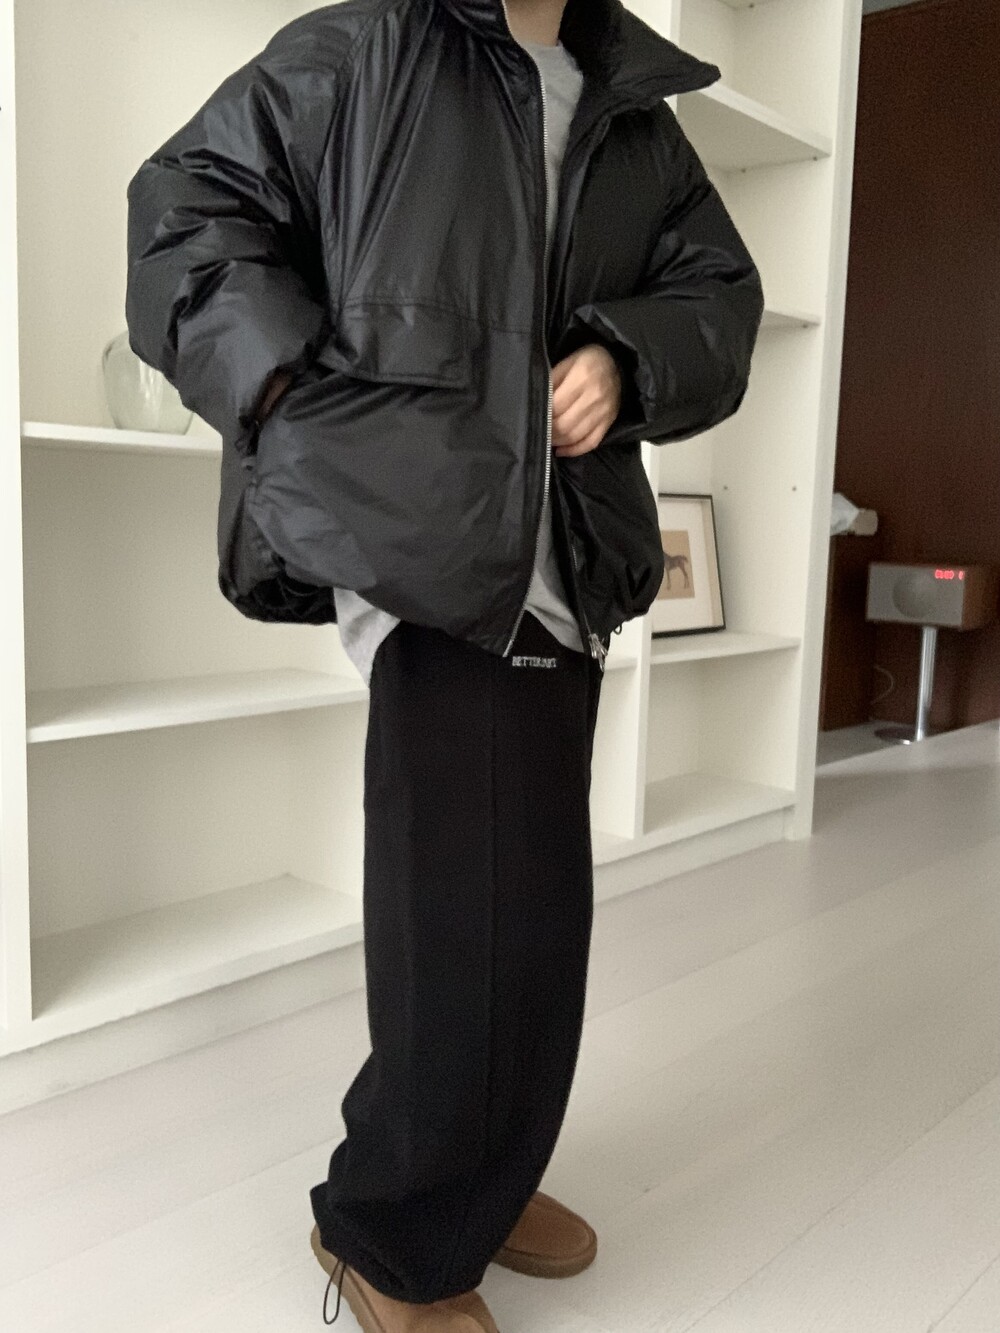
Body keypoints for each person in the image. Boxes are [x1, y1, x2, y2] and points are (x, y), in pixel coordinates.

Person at [125, 0, 764, 1327]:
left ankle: (481, 1170)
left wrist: (622, 357)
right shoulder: (364, 51)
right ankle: (393, 1238)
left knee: (532, 919)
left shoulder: (631, 106)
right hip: (427, 553)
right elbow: (184, 213)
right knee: (466, 922)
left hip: (567, 557)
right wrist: (298, 399)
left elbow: (720, 294)